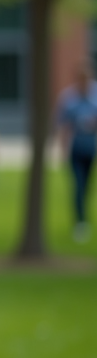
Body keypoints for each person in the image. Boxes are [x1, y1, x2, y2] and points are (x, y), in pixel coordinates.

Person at [57, 62, 97, 243]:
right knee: (78, 186)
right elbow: (63, 126)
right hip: (76, 148)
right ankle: (80, 222)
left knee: (87, 186)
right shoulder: (69, 98)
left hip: (91, 147)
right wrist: (63, 149)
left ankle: (83, 217)